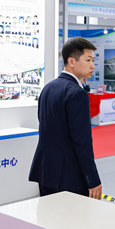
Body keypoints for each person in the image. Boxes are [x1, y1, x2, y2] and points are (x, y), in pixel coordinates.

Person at [28, 37, 102, 200]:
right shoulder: (77, 94)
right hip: (69, 174)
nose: (92, 65)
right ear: (71, 61)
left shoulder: (48, 88)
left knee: (48, 214)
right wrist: (92, 179)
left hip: (46, 170)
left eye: (93, 60)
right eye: (88, 60)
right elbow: (82, 141)